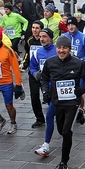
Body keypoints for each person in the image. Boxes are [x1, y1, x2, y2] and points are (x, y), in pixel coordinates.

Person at [40, 35, 85, 169]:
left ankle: (63, 162)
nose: (61, 50)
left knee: (66, 131)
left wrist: (79, 91)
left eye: (64, 48)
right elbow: (44, 78)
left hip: (72, 103)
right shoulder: (50, 63)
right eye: (59, 47)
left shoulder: (78, 63)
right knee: (61, 130)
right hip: (57, 102)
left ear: (69, 49)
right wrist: (45, 91)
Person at [32, 28, 57, 158]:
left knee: (49, 116)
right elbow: (33, 66)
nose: (42, 39)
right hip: (46, 88)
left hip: (58, 90)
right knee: (52, 115)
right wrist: (35, 73)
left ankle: (46, 145)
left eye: (45, 36)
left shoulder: (58, 51)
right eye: (40, 36)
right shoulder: (37, 52)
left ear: (51, 38)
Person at [25, 21, 47, 128]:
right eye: (33, 28)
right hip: (33, 72)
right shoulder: (29, 40)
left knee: (48, 96)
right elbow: (27, 53)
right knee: (34, 96)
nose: (34, 30)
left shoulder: (45, 40)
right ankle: (39, 119)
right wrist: (25, 64)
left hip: (45, 73)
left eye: (37, 28)